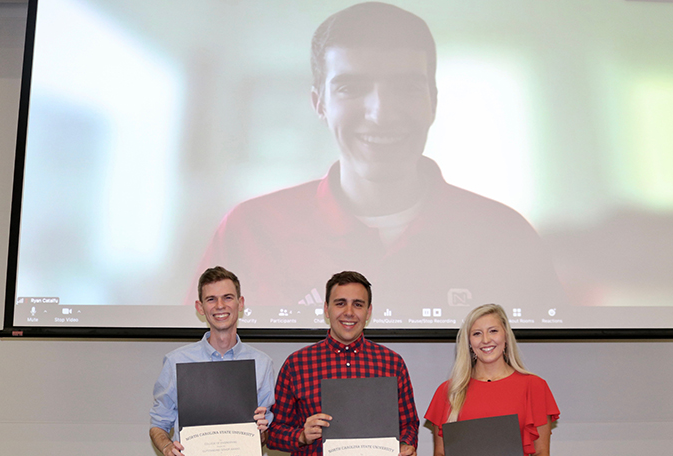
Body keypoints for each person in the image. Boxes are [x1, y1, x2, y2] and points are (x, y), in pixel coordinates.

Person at [194, 2, 564, 313]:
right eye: (350, 87)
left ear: (433, 100)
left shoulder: (507, 238)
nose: (381, 113)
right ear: (319, 104)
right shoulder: (250, 231)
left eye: (405, 87)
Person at [266, 271, 419, 456]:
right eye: (340, 303)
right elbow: (274, 432)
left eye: (358, 304)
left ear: (369, 311)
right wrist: (301, 435)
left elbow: (408, 423)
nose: (349, 312)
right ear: (326, 309)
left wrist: (407, 446)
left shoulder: (391, 363)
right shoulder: (297, 364)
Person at [149, 266, 276, 456]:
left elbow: (264, 436)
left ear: (240, 304)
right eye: (211, 299)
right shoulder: (177, 362)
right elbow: (158, 425)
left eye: (228, 298)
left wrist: (263, 433)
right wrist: (166, 446)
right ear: (200, 307)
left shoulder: (262, 364)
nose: (220, 306)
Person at [425, 304, 560, 456]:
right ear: (469, 342)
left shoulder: (534, 387)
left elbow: (542, 455)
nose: (486, 340)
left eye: (493, 331)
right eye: (477, 333)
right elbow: (441, 455)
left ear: (506, 335)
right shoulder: (449, 392)